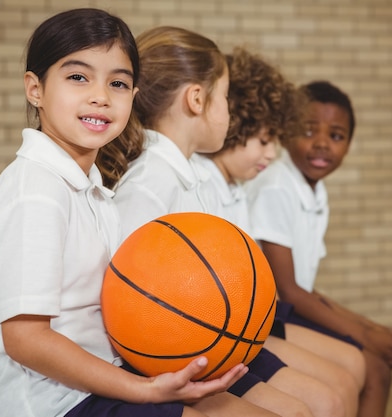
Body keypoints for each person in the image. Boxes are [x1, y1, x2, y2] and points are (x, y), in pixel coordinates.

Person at [0, 9, 277, 417]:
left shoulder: (90, 187)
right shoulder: (34, 190)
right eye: (78, 77)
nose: (101, 95)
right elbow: (25, 340)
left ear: (134, 95)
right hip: (51, 403)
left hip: (101, 375)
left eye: (118, 83)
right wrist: (144, 389)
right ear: (34, 89)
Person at [98, 26, 348, 417]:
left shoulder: (184, 175)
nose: (230, 112)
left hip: (212, 340)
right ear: (197, 99)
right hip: (178, 352)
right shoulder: (149, 183)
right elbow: (131, 302)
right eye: (227, 97)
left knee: (325, 400)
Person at [194, 47, 368, 416]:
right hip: (218, 336)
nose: (272, 154)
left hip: (247, 324)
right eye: (264, 140)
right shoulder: (195, 183)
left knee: (352, 369)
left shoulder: (234, 188)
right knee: (331, 395)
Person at [244, 80, 392, 417]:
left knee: (376, 363)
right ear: (286, 133)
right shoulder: (277, 186)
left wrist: (371, 328)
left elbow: (306, 288)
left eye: (336, 136)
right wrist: (366, 337)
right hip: (269, 318)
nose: (322, 144)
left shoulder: (313, 191)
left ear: (349, 145)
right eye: (309, 131)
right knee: (374, 367)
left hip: (288, 309)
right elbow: (289, 292)